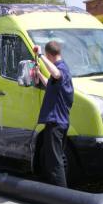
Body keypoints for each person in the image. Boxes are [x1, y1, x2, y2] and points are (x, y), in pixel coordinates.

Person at [33, 41, 74, 187]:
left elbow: (56, 74)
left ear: (49, 54)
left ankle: (62, 196)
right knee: (53, 160)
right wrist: (38, 74)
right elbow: (50, 84)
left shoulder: (60, 68)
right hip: (59, 122)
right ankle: (57, 193)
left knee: (55, 162)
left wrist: (40, 55)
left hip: (56, 123)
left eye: (46, 56)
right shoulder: (62, 70)